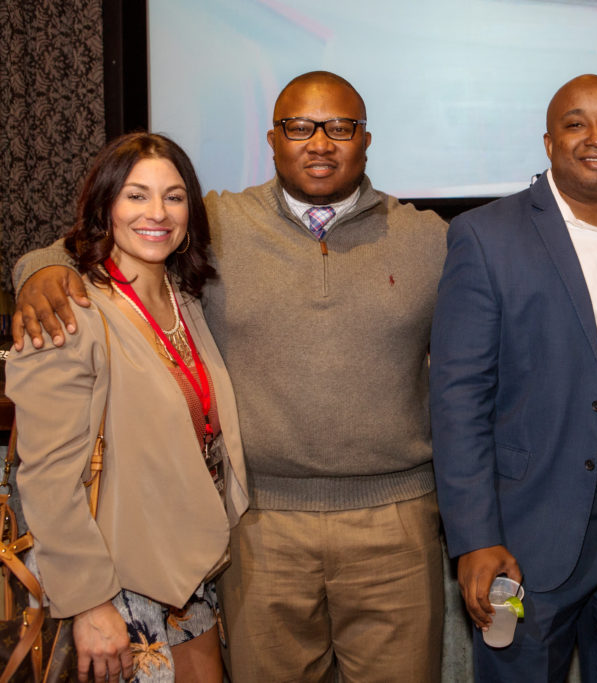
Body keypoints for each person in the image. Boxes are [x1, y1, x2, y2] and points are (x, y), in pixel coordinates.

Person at [11, 71, 449, 682]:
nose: (319, 142)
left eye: (340, 127)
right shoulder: (216, 221)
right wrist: (37, 272)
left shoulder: (429, 239)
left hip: (396, 524)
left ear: (366, 140)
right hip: (256, 530)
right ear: (272, 140)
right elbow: (96, 238)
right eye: (299, 127)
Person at [430, 74, 597, 681]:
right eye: (576, 123)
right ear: (549, 143)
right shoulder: (487, 235)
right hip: (530, 524)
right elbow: (458, 399)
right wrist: (474, 537)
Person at [5, 132, 248, 681]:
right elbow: (46, 477)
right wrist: (89, 603)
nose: (156, 212)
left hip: (187, 576)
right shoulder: (68, 311)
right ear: (104, 206)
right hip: (114, 584)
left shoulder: (185, 299)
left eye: (173, 196)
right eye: (136, 195)